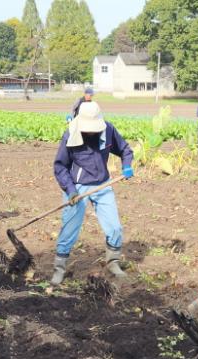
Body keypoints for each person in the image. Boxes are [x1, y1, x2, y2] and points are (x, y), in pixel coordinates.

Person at [51, 101, 134, 285]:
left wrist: (127, 165)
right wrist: (70, 190)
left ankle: (113, 262)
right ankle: (59, 268)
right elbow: (60, 167)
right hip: (77, 187)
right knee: (69, 229)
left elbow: (124, 149)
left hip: (103, 184)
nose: (90, 132)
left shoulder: (108, 130)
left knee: (114, 227)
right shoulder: (70, 135)